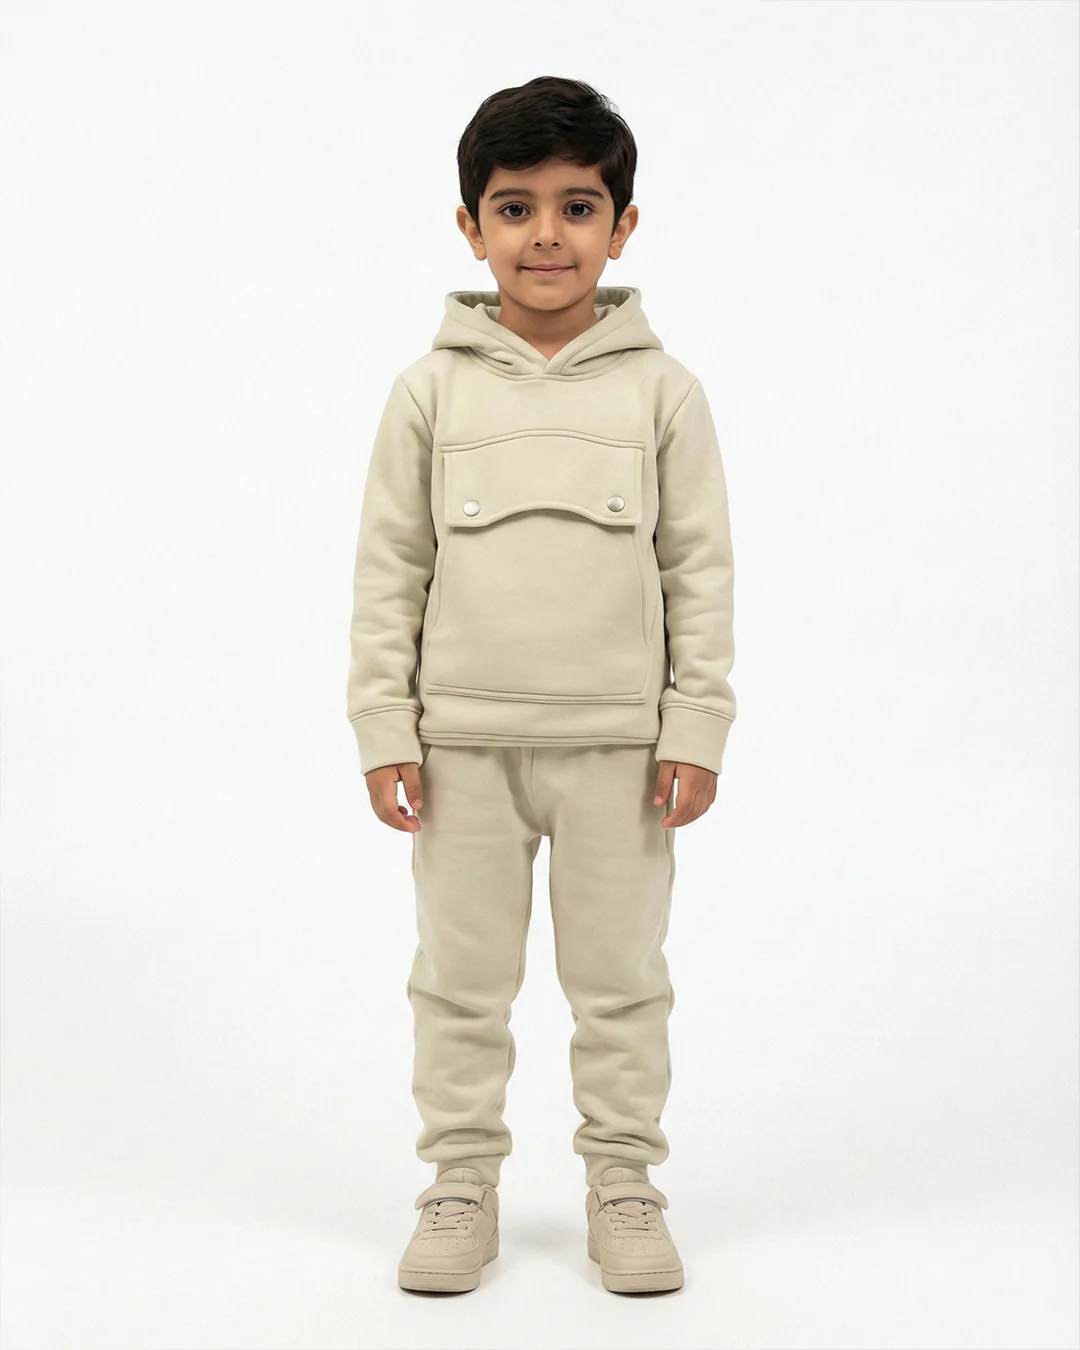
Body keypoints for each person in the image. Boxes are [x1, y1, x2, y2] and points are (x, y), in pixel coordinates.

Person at [345, 75, 736, 1296]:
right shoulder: (429, 392)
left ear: (624, 226)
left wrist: (697, 725)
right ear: (472, 229)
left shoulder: (664, 393)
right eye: (515, 209)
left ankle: (625, 1182)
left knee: (622, 986)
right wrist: (384, 726)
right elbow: (390, 568)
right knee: (459, 986)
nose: (547, 234)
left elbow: (699, 569)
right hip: (460, 750)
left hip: (621, 753)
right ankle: (459, 1182)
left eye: (578, 206)